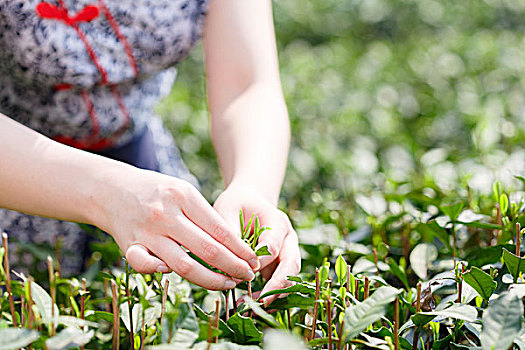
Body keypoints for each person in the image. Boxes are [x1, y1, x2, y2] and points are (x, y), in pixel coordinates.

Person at [0, 0, 300, 306]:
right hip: (19, 178)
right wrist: (108, 192)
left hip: (149, 178)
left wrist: (252, 188)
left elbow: (246, 85)